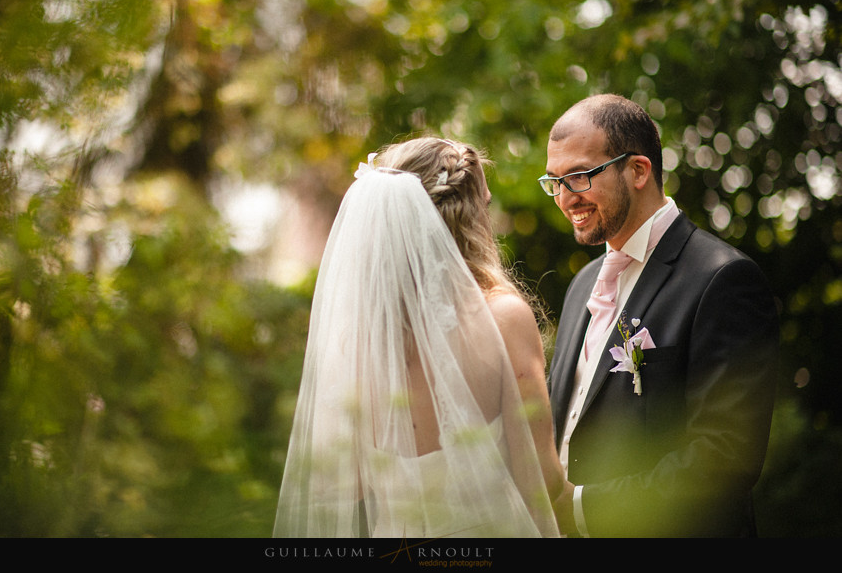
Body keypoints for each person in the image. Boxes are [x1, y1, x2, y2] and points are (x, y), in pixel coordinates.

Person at [274, 137, 564, 538]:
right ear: (469, 217)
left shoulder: (357, 337)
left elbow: (346, 483)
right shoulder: (503, 318)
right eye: (486, 203)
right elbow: (542, 480)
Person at [541, 94, 779, 537]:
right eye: (553, 181)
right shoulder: (581, 286)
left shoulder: (723, 278)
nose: (565, 198)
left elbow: (724, 456)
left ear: (637, 170)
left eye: (578, 177)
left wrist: (581, 509)